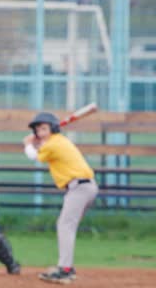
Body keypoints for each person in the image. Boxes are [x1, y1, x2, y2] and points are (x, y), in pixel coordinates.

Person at [23, 112, 99, 285]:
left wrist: (28, 144)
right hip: (84, 187)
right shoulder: (57, 141)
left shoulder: (54, 144)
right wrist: (39, 141)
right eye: (37, 130)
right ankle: (66, 267)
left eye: (44, 128)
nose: (40, 132)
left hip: (79, 188)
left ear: (53, 128)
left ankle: (65, 269)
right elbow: (44, 148)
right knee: (67, 226)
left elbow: (34, 156)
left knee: (65, 225)